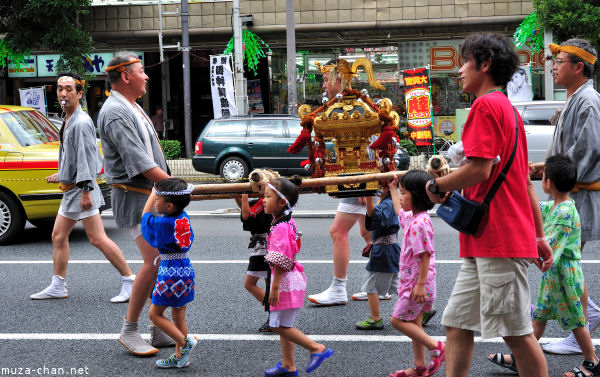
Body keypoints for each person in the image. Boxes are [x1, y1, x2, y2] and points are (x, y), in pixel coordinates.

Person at [425, 33, 553, 377]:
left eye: (465, 62)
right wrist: (539, 237)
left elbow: (479, 169)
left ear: (484, 65)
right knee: (456, 324)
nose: (460, 71)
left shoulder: (484, 106)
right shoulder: (509, 111)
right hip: (489, 240)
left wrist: (435, 185)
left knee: (517, 335)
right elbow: (523, 181)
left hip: (498, 240)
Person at [489, 155, 599, 377]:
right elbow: (530, 207)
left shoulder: (564, 211)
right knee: (539, 316)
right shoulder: (554, 206)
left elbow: (547, 250)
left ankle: (592, 362)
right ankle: (522, 357)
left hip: (565, 276)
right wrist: (525, 180)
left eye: (543, 177)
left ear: (548, 183)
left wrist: (523, 255)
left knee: (576, 320)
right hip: (555, 276)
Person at [30, 72, 135, 303]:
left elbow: (89, 158)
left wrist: (87, 190)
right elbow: (74, 156)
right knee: (58, 235)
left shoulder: (81, 121)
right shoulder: (68, 119)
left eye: (69, 89)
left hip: (81, 191)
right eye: (60, 89)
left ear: (79, 93)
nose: (63, 93)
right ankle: (58, 284)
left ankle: (130, 280)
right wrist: (62, 173)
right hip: (73, 189)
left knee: (97, 238)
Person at [98, 51, 172, 356]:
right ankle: (130, 330)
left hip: (151, 196)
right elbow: (139, 162)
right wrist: (173, 186)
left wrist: (171, 187)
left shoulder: (129, 106)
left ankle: (157, 327)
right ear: (125, 76)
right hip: (136, 198)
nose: (146, 75)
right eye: (141, 71)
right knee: (154, 262)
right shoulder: (115, 111)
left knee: (165, 262)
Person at [533, 38, 600, 356]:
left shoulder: (589, 101)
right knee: (564, 264)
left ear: (578, 67)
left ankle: (581, 334)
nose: (553, 66)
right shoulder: (576, 98)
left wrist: (557, 178)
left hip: (576, 197)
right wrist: (542, 168)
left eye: (559, 61)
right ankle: (585, 319)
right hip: (568, 194)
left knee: (564, 264)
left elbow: (588, 149)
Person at [307, 58, 374, 307]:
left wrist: (366, 186)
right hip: (355, 175)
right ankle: (384, 283)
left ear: (338, 78)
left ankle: (339, 288)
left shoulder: (355, 104)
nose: (324, 85)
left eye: (326, 79)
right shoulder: (346, 103)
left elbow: (372, 141)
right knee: (369, 232)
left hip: (360, 176)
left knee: (338, 231)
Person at [263, 176, 334, 376]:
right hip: (292, 278)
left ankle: (315, 348)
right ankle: (288, 365)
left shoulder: (281, 227)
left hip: (284, 281)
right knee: (285, 324)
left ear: (281, 202)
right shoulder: (285, 221)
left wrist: (274, 287)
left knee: (277, 325)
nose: (263, 200)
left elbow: (279, 260)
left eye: (267, 197)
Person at [388, 170, 444, 377]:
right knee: (414, 322)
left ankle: (436, 346)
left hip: (417, 284)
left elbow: (425, 255)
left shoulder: (419, 224)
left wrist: (419, 285)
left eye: (404, 193)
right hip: (415, 282)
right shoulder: (414, 218)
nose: (401, 198)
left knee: (397, 320)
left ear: (417, 195)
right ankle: (419, 366)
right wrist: (393, 188)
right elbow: (398, 210)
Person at [142, 178, 198, 368]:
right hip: (185, 267)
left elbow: (144, 216)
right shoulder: (183, 216)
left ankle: (184, 343)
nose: (155, 201)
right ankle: (179, 356)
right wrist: (157, 193)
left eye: (157, 199)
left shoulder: (163, 223)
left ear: (170, 205)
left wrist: (152, 192)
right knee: (179, 315)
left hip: (170, 271)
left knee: (155, 314)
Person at [354, 184, 400, 331]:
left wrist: (368, 198)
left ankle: (376, 319)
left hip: (384, 250)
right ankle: (424, 309)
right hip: (390, 248)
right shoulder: (388, 200)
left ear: (386, 188)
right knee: (399, 285)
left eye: (379, 184)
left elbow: (375, 217)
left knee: (370, 285)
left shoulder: (387, 203)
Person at [235, 191, 273, 333]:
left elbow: (246, 216)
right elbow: (245, 207)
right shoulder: (269, 201)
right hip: (264, 246)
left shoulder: (268, 204)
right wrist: (237, 194)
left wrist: (244, 194)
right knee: (268, 282)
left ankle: (275, 312)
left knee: (250, 284)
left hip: (264, 248)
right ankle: (274, 314)